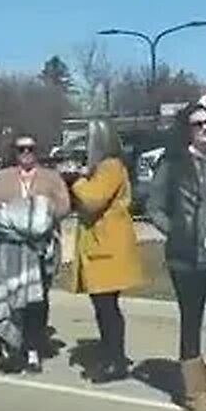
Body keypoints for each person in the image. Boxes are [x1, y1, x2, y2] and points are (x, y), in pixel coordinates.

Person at [146, 103, 206, 411]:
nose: (204, 127)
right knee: (191, 322)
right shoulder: (172, 163)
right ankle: (194, 393)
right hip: (187, 258)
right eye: (197, 123)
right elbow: (155, 206)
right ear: (187, 129)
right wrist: (175, 231)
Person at [0, 134, 71, 373]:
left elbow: (63, 205)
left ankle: (33, 347)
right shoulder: (0, 179)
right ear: (14, 152)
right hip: (9, 250)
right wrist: (14, 218)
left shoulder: (51, 178)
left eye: (30, 148)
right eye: (21, 149)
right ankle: (8, 344)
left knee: (36, 302)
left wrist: (41, 213)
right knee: (8, 299)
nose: (26, 153)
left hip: (41, 250)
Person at [67, 120, 146, 383]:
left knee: (107, 307)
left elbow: (92, 200)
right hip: (101, 246)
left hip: (108, 248)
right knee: (103, 307)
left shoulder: (110, 166)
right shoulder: (101, 168)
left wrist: (76, 181)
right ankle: (110, 354)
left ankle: (116, 360)